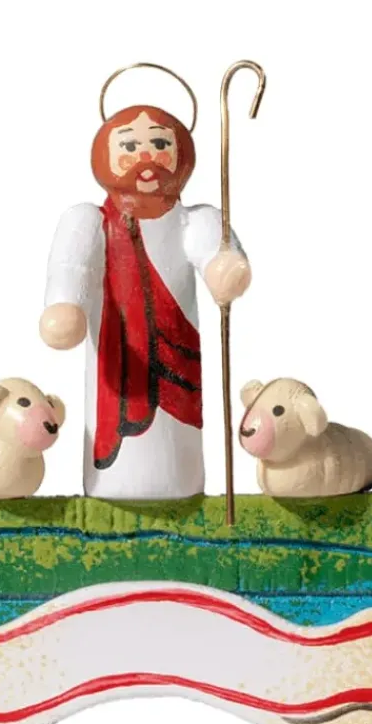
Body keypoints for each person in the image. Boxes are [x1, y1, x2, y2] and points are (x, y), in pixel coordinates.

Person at [40, 101, 250, 499]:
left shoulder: (195, 219)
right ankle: (113, 489)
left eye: (160, 143)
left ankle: (183, 489)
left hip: (180, 366)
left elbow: (216, 256)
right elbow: (72, 267)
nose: (146, 156)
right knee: (122, 457)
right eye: (130, 146)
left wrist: (225, 270)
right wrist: (65, 305)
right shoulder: (89, 221)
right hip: (116, 366)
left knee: (179, 447)